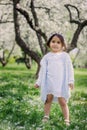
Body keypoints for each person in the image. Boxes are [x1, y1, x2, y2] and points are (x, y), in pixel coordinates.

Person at [34, 33, 74, 125]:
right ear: (49, 43)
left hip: (61, 83)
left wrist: (71, 81)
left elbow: (70, 69)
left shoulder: (65, 56)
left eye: (58, 42)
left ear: (63, 45)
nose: (55, 44)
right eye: (53, 41)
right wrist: (39, 82)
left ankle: (67, 119)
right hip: (49, 83)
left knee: (62, 101)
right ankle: (46, 116)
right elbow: (42, 71)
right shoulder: (47, 57)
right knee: (48, 99)